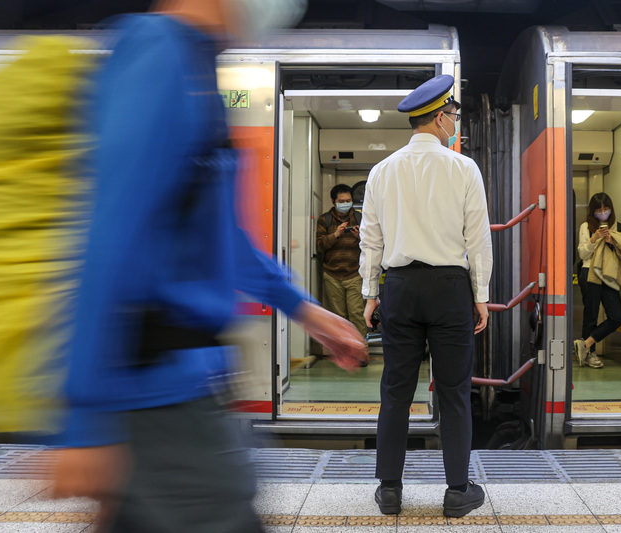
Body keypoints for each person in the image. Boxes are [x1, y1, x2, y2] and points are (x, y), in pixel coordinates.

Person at [50, 1, 367, 531]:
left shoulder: (197, 67)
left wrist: (308, 312)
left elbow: (226, 241)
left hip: (183, 391)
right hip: (156, 395)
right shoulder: (157, 52)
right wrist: (84, 421)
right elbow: (108, 231)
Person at [359, 74, 493, 518]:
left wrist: (368, 294)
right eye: (453, 115)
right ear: (439, 117)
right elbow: (478, 240)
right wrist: (481, 294)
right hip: (450, 288)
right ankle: (458, 492)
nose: (455, 122)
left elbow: (371, 241)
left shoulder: (381, 171)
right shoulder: (463, 168)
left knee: (395, 390)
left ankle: (390, 491)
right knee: (453, 390)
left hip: (399, 287)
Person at [574, 192, 621, 369]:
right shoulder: (586, 226)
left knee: (616, 317)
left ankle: (585, 344)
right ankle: (589, 355)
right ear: (592, 211)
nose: (602, 212)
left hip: (609, 274)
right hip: (589, 272)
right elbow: (582, 254)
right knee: (590, 314)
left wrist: (613, 242)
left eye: (605, 209)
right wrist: (595, 238)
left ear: (611, 209)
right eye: (598, 210)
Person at [316, 184, 367, 339]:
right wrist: (335, 234)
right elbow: (319, 245)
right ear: (333, 201)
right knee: (339, 316)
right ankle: (345, 350)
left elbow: (372, 244)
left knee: (357, 313)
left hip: (355, 274)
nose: (345, 204)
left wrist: (361, 237)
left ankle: (360, 349)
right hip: (332, 275)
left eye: (348, 200)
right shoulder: (325, 219)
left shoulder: (360, 218)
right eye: (342, 201)